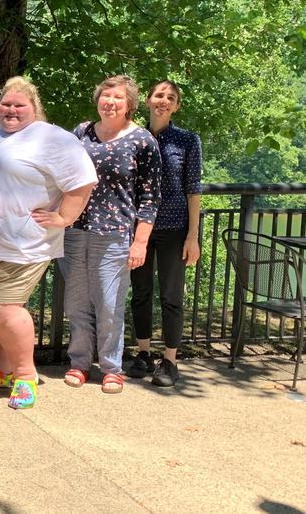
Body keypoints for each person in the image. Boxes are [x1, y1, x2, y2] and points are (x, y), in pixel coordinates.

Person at [0, 77, 96, 409]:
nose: (11, 110)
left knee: (5, 309)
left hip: (21, 245)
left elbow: (82, 181)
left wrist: (64, 217)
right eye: (6, 104)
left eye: (19, 105)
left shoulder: (52, 138)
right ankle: (1, 369)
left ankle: (25, 376)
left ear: (34, 107)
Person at [59, 74, 161, 394]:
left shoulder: (142, 141)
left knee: (109, 304)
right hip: (74, 231)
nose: (110, 102)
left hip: (115, 235)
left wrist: (140, 241)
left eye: (118, 98)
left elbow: (150, 198)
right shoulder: (81, 132)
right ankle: (79, 362)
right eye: (106, 96)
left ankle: (111, 367)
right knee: (76, 303)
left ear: (129, 104)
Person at [128, 80, 201, 388]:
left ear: (176, 106)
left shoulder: (187, 140)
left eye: (170, 98)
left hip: (174, 228)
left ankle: (170, 360)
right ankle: (143, 353)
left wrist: (193, 235)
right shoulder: (134, 136)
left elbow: (193, 189)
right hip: (137, 229)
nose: (164, 101)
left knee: (171, 297)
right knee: (141, 293)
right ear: (148, 100)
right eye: (159, 95)